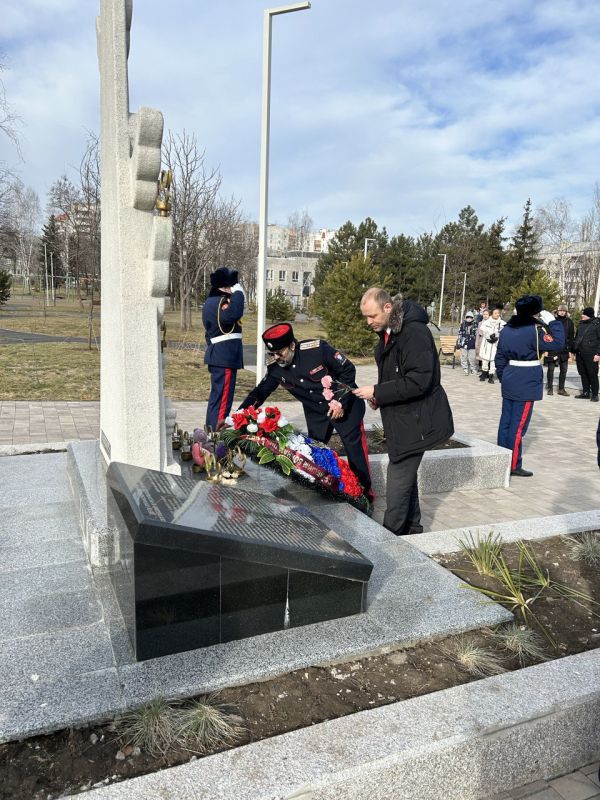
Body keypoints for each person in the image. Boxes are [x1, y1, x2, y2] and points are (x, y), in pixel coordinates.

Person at [353, 288, 454, 536]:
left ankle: (390, 537)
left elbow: (420, 380)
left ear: (388, 308)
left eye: (372, 316)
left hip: (418, 420)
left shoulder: (414, 332)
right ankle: (412, 527)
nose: (369, 322)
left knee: (398, 477)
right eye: (366, 317)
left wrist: (377, 390)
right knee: (405, 477)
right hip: (402, 418)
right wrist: (379, 396)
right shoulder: (390, 330)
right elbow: (395, 375)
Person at [238, 322, 374, 504]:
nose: (276, 357)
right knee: (313, 455)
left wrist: (340, 401)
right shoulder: (276, 368)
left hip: (346, 408)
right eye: (272, 354)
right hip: (317, 415)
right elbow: (260, 392)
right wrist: (238, 416)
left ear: (292, 345)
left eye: (280, 352)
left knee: (355, 454)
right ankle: (329, 490)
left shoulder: (317, 350)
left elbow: (348, 370)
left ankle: (365, 496)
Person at [495, 295, 565, 477]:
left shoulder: (507, 329)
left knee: (506, 422)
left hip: (510, 376)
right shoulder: (535, 330)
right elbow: (558, 342)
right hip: (526, 380)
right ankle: (512, 465)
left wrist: (504, 376)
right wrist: (554, 322)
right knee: (518, 426)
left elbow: (500, 356)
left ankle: (501, 461)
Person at [203, 267, 245, 430]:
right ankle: (216, 433)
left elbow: (209, 334)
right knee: (222, 401)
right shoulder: (221, 302)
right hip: (225, 356)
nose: (232, 289)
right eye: (231, 286)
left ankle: (210, 432)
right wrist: (239, 293)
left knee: (217, 398)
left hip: (219, 355)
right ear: (225, 286)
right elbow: (232, 315)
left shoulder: (211, 302)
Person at [545, 303, 574, 396]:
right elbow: (547, 335)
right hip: (553, 348)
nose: (562, 312)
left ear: (566, 312)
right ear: (557, 311)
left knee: (564, 370)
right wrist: (546, 349)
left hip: (564, 349)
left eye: (564, 311)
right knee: (551, 369)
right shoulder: (552, 321)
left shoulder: (569, 322)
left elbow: (571, 337)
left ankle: (561, 389)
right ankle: (550, 388)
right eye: (560, 310)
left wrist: (570, 350)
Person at [573, 307, 600, 402]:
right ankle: (586, 392)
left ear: (588, 315)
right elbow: (577, 338)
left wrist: (598, 354)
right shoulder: (581, 324)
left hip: (591, 353)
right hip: (580, 353)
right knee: (583, 373)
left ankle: (595, 394)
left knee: (592, 374)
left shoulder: (597, 324)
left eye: (584, 314)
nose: (582, 315)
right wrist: (574, 351)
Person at [478, 306, 505, 383]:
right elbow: (482, 332)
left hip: (496, 345)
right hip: (487, 344)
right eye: (495, 313)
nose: (497, 314)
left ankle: (491, 376)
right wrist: (488, 337)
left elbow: (504, 333)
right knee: (485, 360)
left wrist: (497, 336)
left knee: (493, 361)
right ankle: (484, 374)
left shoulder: (502, 323)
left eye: (498, 313)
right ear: (492, 314)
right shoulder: (486, 323)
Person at [475, 308, 490, 372]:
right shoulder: (480, 323)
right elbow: (478, 334)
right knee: (480, 354)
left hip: (488, 341)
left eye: (486, 314)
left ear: (489, 315)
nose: (485, 316)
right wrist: (477, 343)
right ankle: (480, 367)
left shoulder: (491, 323)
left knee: (487, 355)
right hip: (481, 340)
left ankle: (487, 369)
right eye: (484, 314)